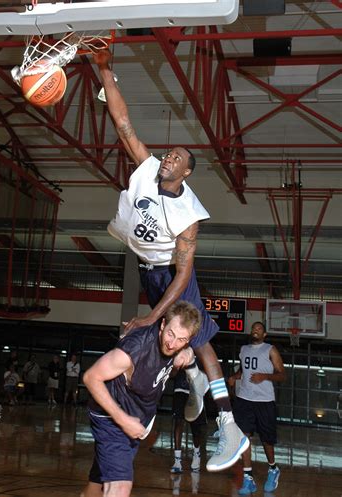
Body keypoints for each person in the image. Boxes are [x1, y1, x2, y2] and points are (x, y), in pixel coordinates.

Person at [93, 49, 248, 472]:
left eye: (178, 158)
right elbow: (123, 122)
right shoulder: (146, 167)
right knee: (176, 340)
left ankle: (231, 428)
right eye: (169, 154)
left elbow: (181, 278)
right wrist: (105, 69)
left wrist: (148, 317)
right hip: (148, 269)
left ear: (187, 173)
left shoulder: (188, 218)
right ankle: (194, 378)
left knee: (198, 337)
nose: (169, 158)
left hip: (171, 276)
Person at [81, 300, 200, 497]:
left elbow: (159, 372)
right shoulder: (134, 350)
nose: (172, 343)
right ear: (162, 325)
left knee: (98, 484)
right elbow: (91, 377)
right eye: (170, 334)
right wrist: (122, 419)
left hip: (135, 419)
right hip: (112, 418)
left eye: (181, 339)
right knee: (119, 487)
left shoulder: (177, 346)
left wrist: (185, 353)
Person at [227, 321, 285, 495]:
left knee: (267, 440)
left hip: (264, 401)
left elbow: (282, 375)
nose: (255, 331)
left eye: (259, 329)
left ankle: (273, 469)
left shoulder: (270, 349)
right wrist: (235, 377)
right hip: (244, 399)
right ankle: (248, 478)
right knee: (244, 438)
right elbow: (244, 371)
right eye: (253, 328)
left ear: (264, 334)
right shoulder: (243, 350)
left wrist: (265, 376)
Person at [170, 369, 207, 475]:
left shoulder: (201, 353)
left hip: (196, 391)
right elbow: (171, 373)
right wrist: (176, 368)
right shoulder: (178, 352)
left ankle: (197, 453)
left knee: (196, 428)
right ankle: (177, 461)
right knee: (178, 423)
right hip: (180, 390)